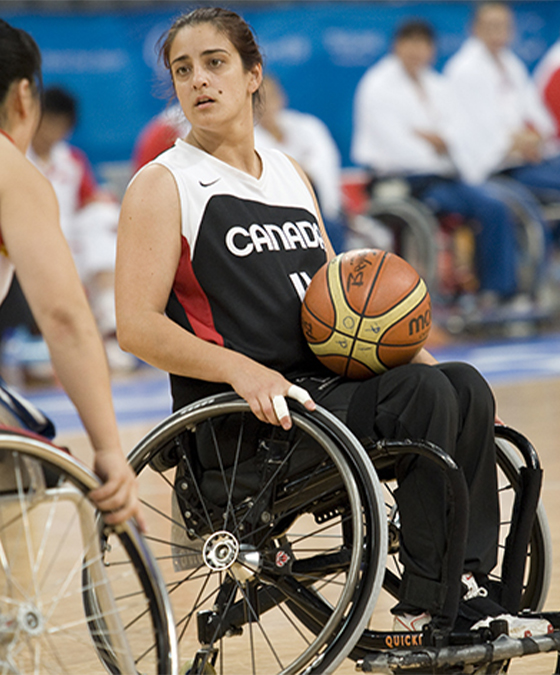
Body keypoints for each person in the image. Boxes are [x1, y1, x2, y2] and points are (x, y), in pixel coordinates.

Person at [116, 5, 550, 637]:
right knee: (425, 394)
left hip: (325, 395)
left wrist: (449, 386)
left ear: (252, 74)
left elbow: (342, 306)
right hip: (249, 423)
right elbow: (137, 327)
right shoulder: (163, 184)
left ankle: (472, 584)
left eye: (215, 64)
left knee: (461, 385)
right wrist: (243, 371)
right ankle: (433, 605)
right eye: (184, 70)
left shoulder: (290, 174)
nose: (199, 82)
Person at [0, 13, 141, 527]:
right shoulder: (6, 165)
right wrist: (109, 449)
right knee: (26, 448)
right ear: (24, 96)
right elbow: (65, 318)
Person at [352, 19, 522, 305]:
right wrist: (437, 143)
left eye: (424, 44)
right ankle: (419, 301)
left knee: (493, 206)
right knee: (442, 206)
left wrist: (434, 139)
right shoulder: (377, 85)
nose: (417, 51)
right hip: (397, 180)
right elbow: (397, 146)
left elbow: (458, 134)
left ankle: (495, 293)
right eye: (411, 43)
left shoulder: (438, 85)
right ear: (397, 46)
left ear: (432, 50)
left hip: (441, 177)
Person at [27, 87, 123, 358]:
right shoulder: (16, 158)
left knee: (105, 216)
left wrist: (99, 200)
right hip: (31, 240)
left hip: (69, 240)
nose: (54, 131)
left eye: (62, 125)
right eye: (49, 122)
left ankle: (109, 319)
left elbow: (86, 200)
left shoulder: (71, 160)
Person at [444, 2, 560, 200]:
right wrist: (513, 143)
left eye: (504, 26)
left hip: (522, 159)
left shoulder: (512, 65)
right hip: (491, 166)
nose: (498, 32)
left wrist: (537, 136)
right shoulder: (464, 70)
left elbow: (536, 112)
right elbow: (473, 128)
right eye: (492, 25)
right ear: (474, 28)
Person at [254, 74, 347, 251]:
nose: (265, 104)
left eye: (270, 97)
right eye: (258, 99)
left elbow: (325, 165)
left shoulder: (308, 126)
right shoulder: (247, 139)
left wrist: (301, 171)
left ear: (282, 97)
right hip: (280, 219)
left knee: (333, 227)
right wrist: (301, 169)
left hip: (327, 211)